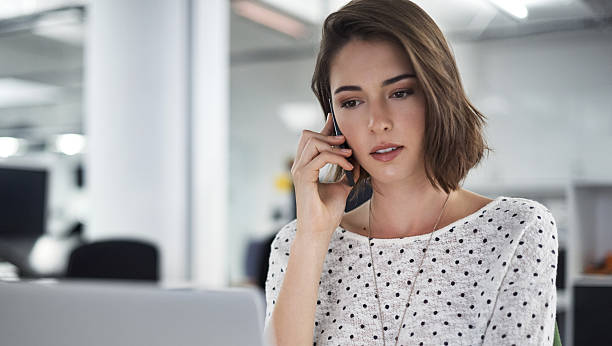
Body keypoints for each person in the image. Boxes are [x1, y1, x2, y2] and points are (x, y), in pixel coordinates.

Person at [263, 1, 559, 345]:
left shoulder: (516, 230)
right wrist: (313, 235)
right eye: (351, 102)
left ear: (438, 94)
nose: (378, 122)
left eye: (400, 92)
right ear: (332, 121)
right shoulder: (295, 244)